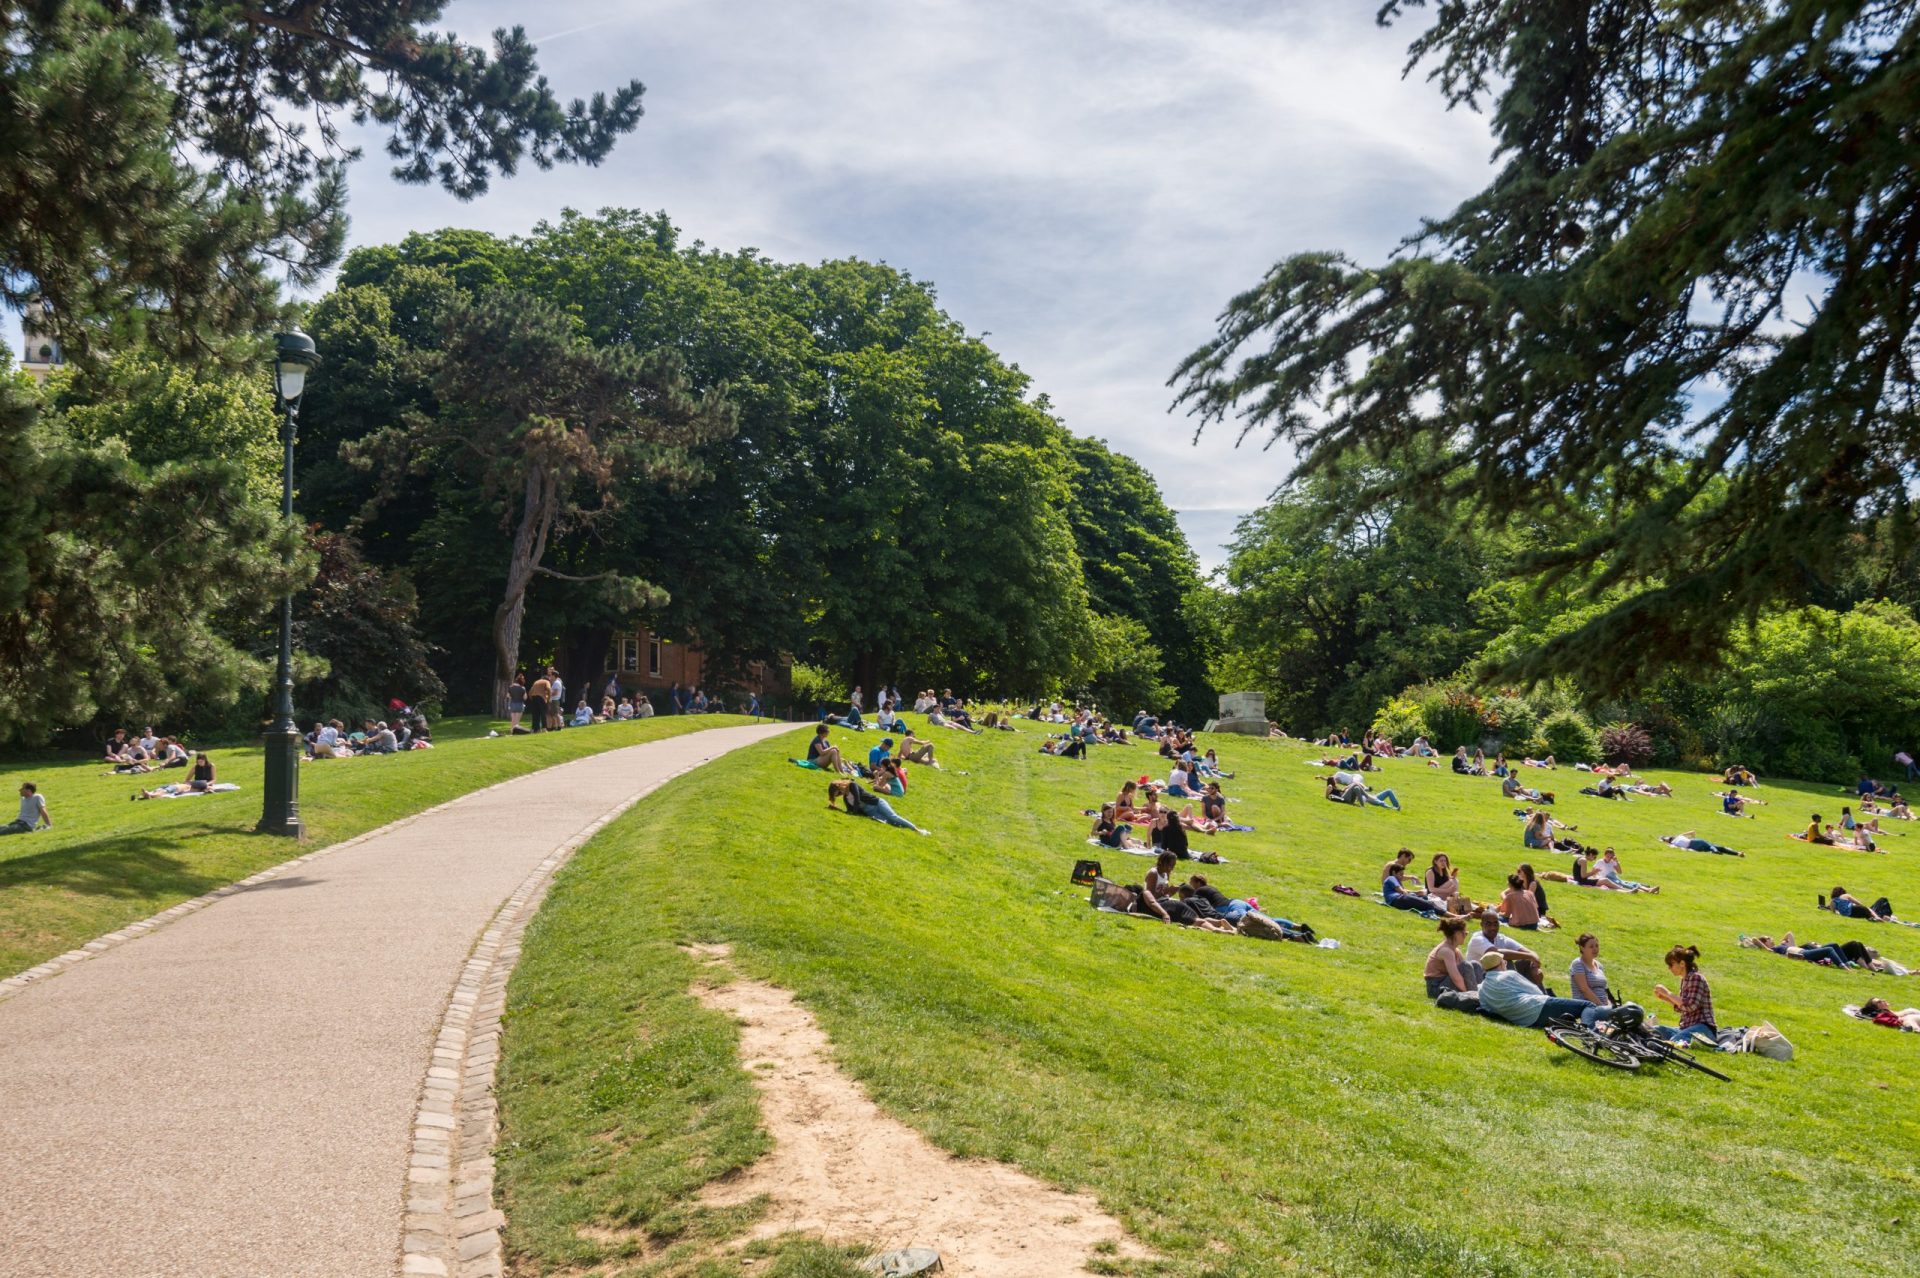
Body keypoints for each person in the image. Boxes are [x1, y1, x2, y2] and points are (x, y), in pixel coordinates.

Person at [1476, 952, 1621, 1029]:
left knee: (1572, 1012)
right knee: (1586, 1006)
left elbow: (1488, 1009)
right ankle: (1591, 1032)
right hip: (1537, 1007)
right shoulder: (1508, 974)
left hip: (1524, 1021)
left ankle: (1583, 1025)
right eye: (1504, 962)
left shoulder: (1482, 989)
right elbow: (1536, 991)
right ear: (1501, 964)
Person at [1651, 945, 1718, 1045]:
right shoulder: (1685, 980)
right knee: (1655, 1030)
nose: (1669, 968)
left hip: (1704, 1029)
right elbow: (1682, 1007)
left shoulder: (1696, 978)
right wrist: (1666, 998)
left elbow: (1691, 1006)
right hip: (1686, 1028)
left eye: (1671, 964)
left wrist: (1668, 994)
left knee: (1674, 1041)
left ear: (1682, 963)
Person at [1467, 912, 1543, 985]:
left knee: (1526, 963)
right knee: (1506, 960)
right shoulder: (1477, 939)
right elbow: (1497, 953)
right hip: (1482, 980)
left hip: (1498, 977)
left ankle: (1542, 996)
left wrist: (1534, 966)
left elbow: (1530, 952)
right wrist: (1530, 956)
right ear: (1481, 925)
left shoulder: (1501, 938)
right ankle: (1514, 991)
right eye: (1488, 924)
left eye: (1495, 924)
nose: (1493, 928)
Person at [826, 778, 927, 833]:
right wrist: (838, 810)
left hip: (877, 803)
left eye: (839, 791)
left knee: (893, 817)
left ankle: (916, 829)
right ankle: (909, 830)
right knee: (891, 823)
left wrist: (853, 811)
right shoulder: (846, 799)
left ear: (840, 786)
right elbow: (851, 812)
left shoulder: (852, 785)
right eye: (838, 793)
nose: (841, 793)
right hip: (871, 812)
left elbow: (857, 800)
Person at [1425, 918, 1477, 997]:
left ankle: (1480, 995)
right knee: (1466, 966)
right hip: (1435, 988)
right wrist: (1468, 994)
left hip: (1443, 983)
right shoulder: (1446, 951)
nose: (1465, 935)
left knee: (1475, 965)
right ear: (1456, 933)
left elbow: (1465, 972)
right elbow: (1456, 978)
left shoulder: (1455, 950)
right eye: (1464, 933)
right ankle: (1475, 998)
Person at [1568, 933, 1611, 1005]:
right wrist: (1601, 1006)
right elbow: (1584, 989)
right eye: (1591, 947)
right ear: (1582, 948)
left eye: (1597, 946)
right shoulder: (1578, 964)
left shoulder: (1599, 966)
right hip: (1586, 1005)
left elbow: (1604, 990)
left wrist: (1610, 1006)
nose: (1595, 949)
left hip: (1603, 1006)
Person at [1828, 886, 1895, 922]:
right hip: (1854, 909)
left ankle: (1879, 917)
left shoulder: (1832, 901)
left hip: (1851, 914)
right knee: (1881, 900)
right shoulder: (1845, 896)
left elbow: (1833, 912)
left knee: (1868, 912)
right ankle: (1878, 917)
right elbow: (1859, 903)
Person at [1660, 831, 1744, 856]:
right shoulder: (1676, 841)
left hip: (1694, 846)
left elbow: (1692, 832)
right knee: (1710, 845)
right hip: (1693, 843)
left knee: (1720, 848)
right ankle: (1714, 850)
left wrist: (1692, 836)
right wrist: (1692, 836)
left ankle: (1738, 854)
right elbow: (1692, 832)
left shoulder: (1675, 841)